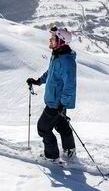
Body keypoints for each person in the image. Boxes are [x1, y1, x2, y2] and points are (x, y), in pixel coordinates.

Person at [26, 26, 77, 161]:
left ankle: (52, 156)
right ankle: (70, 150)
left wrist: (62, 104)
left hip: (56, 103)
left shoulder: (66, 60)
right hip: (58, 101)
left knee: (43, 128)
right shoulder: (58, 55)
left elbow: (70, 85)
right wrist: (39, 81)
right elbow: (51, 73)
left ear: (60, 41)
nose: (50, 39)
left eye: (53, 37)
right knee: (61, 124)